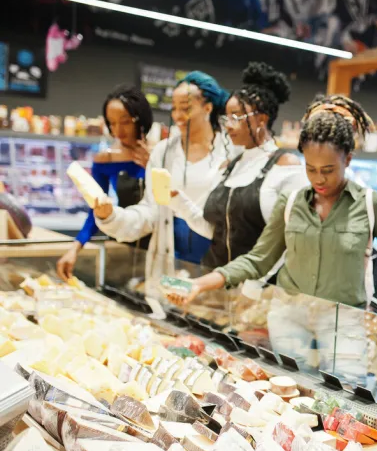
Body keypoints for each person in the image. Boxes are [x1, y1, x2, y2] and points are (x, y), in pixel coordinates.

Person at [169, 95, 377, 381]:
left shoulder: (372, 204)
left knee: (348, 390)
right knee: (293, 390)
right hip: (288, 314)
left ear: (348, 159)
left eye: (328, 170)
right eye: (311, 169)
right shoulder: (290, 204)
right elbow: (258, 260)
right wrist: (200, 284)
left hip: (342, 319)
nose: (319, 179)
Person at [94, 71, 230, 290]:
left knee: (215, 315)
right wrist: (112, 217)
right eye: (174, 108)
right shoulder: (163, 152)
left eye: (186, 108)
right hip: (172, 260)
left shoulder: (230, 152)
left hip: (217, 260)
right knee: (176, 309)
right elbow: (151, 211)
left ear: (208, 107)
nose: (177, 115)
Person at [169, 62, 306, 268]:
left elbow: (294, 240)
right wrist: (180, 202)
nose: (229, 125)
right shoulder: (228, 168)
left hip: (262, 287)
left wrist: (258, 286)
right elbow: (216, 232)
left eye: (237, 117)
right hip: (216, 279)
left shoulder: (285, 165)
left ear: (262, 119)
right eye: (226, 117)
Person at [56, 85, 153, 281]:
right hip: (123, 245)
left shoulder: (161, 152)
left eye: (125, 122)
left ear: (140, 118)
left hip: (161, 247)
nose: (118, 130)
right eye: (112, 123)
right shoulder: (106, 159)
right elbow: (96, 207)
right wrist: (75, 248)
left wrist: (153, 164)